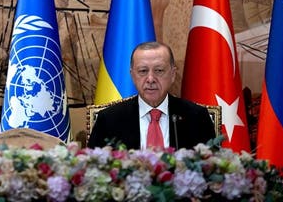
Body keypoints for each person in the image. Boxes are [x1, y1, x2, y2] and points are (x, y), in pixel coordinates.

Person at [87, 41, 215, 150]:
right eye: (143, 71)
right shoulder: (109, 119)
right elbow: (95, 171)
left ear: (173, 74)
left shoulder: (197, 117)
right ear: (132, 75)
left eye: (159, 70)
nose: (150, 79)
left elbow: (211, 170)